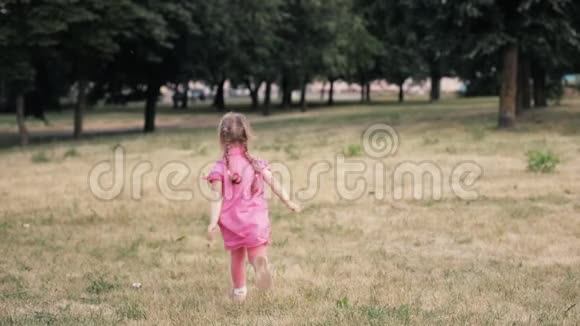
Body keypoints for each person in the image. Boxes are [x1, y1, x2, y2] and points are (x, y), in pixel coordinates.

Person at [205, 112, 301, 302]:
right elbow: (274, 183)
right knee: (257, 253)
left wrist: (213, 222)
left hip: (233, 223)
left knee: (237, 257)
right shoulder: (256, 164)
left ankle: (239, 292)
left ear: (222, 138)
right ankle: (260, 267)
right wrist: (288, 201)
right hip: (255, 221)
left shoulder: (220, 168)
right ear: (247, 136)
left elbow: (216, 198)